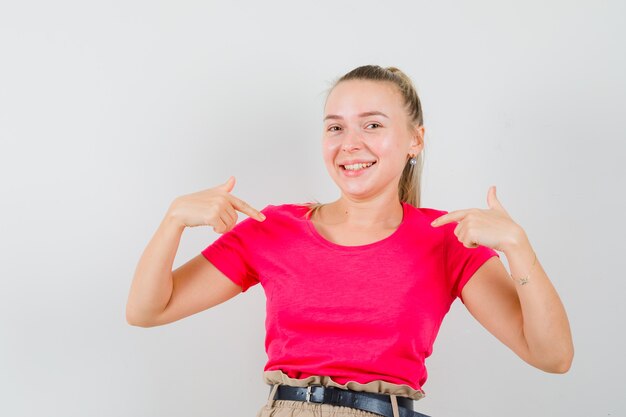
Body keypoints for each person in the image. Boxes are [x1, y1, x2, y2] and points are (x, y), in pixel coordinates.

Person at [126, 65, 574, 417]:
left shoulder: (447, 239)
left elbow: (552, 356)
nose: (350, 144)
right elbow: (148, 310)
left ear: (415, 140)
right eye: (335, 127)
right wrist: (173, 222)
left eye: (373, 125)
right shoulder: (272, 228)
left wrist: (519, 248)